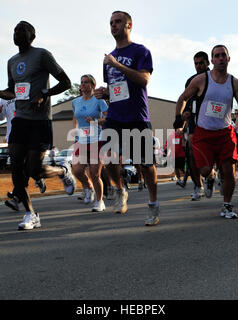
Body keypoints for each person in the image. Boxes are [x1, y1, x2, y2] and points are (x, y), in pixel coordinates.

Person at [0, 21, 75, 230]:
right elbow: (13, 91)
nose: (17, 34)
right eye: (15, 31)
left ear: (32, 36)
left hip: (41, 120)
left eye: (22, 31)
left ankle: (62, 171)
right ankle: (30, 213)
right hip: (20, 119)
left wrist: (43, 94)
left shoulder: (42, 55)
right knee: (16, 164)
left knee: (33, 169)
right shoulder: (12, 61)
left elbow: (66, 82)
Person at [94, 11, 159, 226]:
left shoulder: (140, 51)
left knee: (146, 164)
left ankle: (153, 204)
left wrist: (117, 64)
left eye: (118, 21)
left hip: (137, 116)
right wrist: (105, 93)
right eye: (111, 22)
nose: (113, 25)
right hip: (116, 115)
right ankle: (120, 189)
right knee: (106, 154)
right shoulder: (108, 58)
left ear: (128, 25)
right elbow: (117, 89)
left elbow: (143, 80)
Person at [174, 44, 238, 219]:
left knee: (229, 170)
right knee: (204, 170)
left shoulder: (234, 82)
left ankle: (227, 205)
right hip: (204, 133)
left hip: (225, 132)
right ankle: (210, 177)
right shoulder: (201, 80)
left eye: (224, 55)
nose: (221, 58)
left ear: (228, 59)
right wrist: (178, 117)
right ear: (213, 60)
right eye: (217, 56)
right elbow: (183, 98)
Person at [71, 74, 108, 212]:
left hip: (96, 140)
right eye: (81, 82)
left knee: (95, 173)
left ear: (92, 85)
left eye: (86, 82)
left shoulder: (99, 101)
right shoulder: (76, 102)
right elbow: (75, 118)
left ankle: (99, 201)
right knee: (77, 170)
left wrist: (95, 121)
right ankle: (89, 187)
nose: (83, 84)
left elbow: (108, 117)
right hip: (81, 139)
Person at [181, 51, 210, 200]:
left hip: (213, 121)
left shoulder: (216, 78)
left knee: (213, 155)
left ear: (208, 63)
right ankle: (198, 186)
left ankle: (212, 177)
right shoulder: (191, 80)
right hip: (194, 121)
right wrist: (184, 114)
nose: (198, 66)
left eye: (201, 63)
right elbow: (185, 99)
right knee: (191, 151)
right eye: (196, 63)